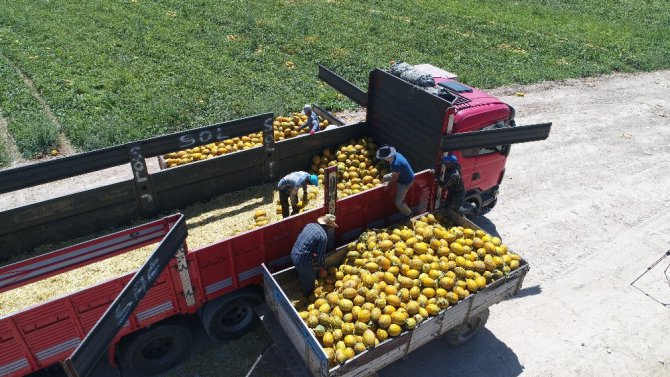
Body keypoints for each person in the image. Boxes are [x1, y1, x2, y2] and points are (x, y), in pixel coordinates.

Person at [291, 214, 338, 296]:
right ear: (330, 227)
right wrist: (322, 268)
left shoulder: (310, 225)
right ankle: (308, 296)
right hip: (302, 260)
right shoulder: (323, 237)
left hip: (293, 253)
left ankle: (301, 286)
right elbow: (320, 256)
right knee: (310, 279)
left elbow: (307, 241)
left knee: (303, 273)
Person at [377, 145, 415, 219]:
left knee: (398, 202)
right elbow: (395, 174)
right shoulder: (396, 155)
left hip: (405, 182)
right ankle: (384, 192)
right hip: (400, 174)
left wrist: (388, 185)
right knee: (385, 177)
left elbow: (395, 177)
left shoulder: (396, 163)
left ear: (388, 157)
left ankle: (409, 214)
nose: (384, 159)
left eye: (384, 158)